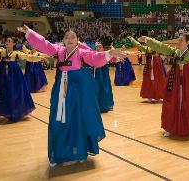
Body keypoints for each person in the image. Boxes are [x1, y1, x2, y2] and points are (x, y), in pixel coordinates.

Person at [18, 25, 125, 167]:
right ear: (62, 40)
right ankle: (58, 153)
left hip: (77, 93)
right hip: (61, 91)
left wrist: (109, 53)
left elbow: (95, 57)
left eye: (73, 37)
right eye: (67, 37)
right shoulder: (58, 50)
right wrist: (30, 33)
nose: (70, 39)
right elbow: (44, 44)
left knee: (77, 121)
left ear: (78, 40)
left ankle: (79, 152)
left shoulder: (82, 53)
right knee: (58, 120)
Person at [138, 34, 189, 137]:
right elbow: (161, 46)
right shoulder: (175, 52)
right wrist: (147, 40)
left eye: (182, 40)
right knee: (172, 103)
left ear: (188, 43)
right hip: (175, 83)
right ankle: (170, 127)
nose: (179, 41)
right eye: (179, 40)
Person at [0, 34, 41, 122]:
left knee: (15, 93)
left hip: (14, 76)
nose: (7, 42)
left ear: (13, 44)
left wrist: (39, 58)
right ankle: (0, 111)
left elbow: (28, 57)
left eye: (9, 41)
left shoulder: (17, 53)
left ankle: (14, 112)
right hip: (2, 75)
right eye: (6, 41)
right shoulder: (2, 51)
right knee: (1, 92)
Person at [130, 37, 167, 102]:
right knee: (150, 80)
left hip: (158, 66)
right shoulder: (148, 49)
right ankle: (150, 95)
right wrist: (132, 40)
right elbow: (139, 46)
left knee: (159, 79)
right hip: (150, 66)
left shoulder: (159, 48)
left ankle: (158, 95)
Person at [92, 42, 115, 113]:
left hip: (104, 74)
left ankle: (107, 104)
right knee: (98, 88)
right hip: (97, 74)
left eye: (100, 47)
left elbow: (113, 58)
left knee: (106, 88)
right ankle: (98, 105)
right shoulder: (94, 54)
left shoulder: (105, 54)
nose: (98, 48)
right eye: (97, 47)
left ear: (103, 48)